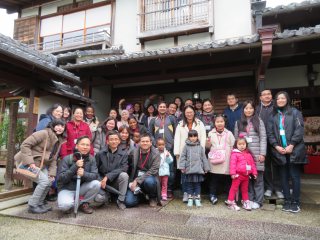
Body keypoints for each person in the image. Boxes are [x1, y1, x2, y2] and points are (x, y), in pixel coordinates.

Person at [14, 119, 66, 214]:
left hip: (40, 165)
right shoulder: (43, 133)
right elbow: (25, 145)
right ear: (53, 125)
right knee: (44, 181)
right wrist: (30, 162)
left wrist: (52, 173)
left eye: (62, 126)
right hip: (27, 163)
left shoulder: (58, 140)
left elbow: (53, 158)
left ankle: (40, 203)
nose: (60, 128)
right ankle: (33, 205)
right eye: (58, 125)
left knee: (49, 181)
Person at [267, 91, 307, 213]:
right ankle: (287, 201)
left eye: (282, 98)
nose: (280, 100)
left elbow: (299, 130)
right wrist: (276, 146)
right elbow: (270, 133)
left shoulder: (295, 113)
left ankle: (296, 201)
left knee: (294, 176)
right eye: (278, 98)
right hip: (280, 151)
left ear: (287, 99)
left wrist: (292, 145)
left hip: (294, 150)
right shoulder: (273, 115)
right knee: (283, 177)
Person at [234, 100, 267, 210]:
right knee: (246, 180)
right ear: (243, 110)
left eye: (251, 108)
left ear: (254, 109)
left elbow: (263, 138)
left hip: (257, 155)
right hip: (244, 157)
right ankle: (249, 199)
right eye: (246, 108)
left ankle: (258, 201)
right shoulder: (238, 123)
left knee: (258, 180)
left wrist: (263, 153)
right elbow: (236, 140)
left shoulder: (259, 121)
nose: (248, 110)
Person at [57, 136, 100, 214]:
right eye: (82, 144)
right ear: (76, 145)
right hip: (67, 188)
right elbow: (61, 178)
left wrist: (84, 174)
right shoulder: (67, 159)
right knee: (65, 206)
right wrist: (75, 167)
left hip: (81, 188)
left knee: (96, 184)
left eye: (87, 145)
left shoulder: (91, 159)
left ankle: (83, 203)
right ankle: (71, 203)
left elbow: (95, 175)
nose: (85, 147)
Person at [174, 105, 206, 202]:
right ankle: (185, 193)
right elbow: (177, 138)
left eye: (191, 112)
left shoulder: (200, 123)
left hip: (196, 153)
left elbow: (203, 138)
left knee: (195, 175)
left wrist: (202, 151)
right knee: (184, 174)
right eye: (187, 112)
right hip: (183, 153)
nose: (189, 114)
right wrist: (176, 152)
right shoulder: (180, 124)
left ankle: (195, 194)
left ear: (194, 112)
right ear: (184, 113)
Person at [256, 89, 283, 199]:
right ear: (260, 97)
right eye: (264, 94)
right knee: (265, 165)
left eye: (269, 94)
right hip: (262, 141)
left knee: (277, 164)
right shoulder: (257, 109)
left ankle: (278, 188)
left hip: (276, 141)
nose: (267, 96)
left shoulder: (277, 108)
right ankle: (268, 187)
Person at [95, 131, 129, 210]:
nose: (114, 141)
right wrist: (100, 180)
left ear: (119, 141)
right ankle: (108, 197)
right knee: (98, 198)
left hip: (116, 181)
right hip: (103, 183)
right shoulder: (100, 154)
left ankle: (120, 200)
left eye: (116, 139)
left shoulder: (124, 154)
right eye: (111, 139)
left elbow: (123, 168)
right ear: (107, 141)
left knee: (124, 175)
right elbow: (95, 170)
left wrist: (107, 176)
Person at [149, 101, 177, 198]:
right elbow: (150, 134)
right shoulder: (153, 120)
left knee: (171, 170)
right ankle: (159, 189)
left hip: (169, 148)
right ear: (158, 108)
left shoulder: (172, 118)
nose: (162, 108)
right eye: (160, 106)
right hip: (157, 149)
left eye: (164, 107)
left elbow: (176, 132)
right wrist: (154, 144)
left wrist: (172, 143)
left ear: (167, 108)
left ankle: (169, 189)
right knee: (158, 169)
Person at [125, 133, 161, 208]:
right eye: (143, 141)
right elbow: (128, 168)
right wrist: (130, 182)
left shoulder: (156, 154)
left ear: (151, 143)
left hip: (149, 177)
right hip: (135, 179)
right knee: (129, 202)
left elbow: (153, 171)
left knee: (150, 181)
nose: (145, 143)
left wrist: (137, 180)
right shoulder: (133, 152)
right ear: (139, 143)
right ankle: (141, 196)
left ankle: (152, 197)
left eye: (147, 141)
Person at [207, 114, 235, 205]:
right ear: (214, 123)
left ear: (224, 122)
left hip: (226, 160)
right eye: (217, 122)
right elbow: (207, 146)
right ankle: (212, 195)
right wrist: (207, 142)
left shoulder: (229, 133)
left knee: (227, 179)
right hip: (214, 160)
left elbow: (233, 145)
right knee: (214, 178)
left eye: (221, 122)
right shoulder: (211, 133)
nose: (219, 124)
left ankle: (229, 196)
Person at [178, 130, 210, 207]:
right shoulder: (186, 147)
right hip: (189, 170)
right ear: (188, 137)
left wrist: (206, 168)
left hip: (198, 170)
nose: (193, 138)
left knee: (197, 185)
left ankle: (197, 199)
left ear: (197, 137)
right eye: (191, 136)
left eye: (194, 136)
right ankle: (190, 199)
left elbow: (204, 158)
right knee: (189, 185)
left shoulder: (200, 147)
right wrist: (182, 167)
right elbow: (183, 157)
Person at [226, 137, 257, 211]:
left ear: (246, 144)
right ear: (236, 145)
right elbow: (232, 164)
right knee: (234, 188)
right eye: (239, 144)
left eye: (243, 144)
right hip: (237, 175)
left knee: (245, 189)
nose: (242, 146)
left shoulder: (248, 154)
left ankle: (245, 201)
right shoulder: (235, 154)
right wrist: (233, 173)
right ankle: (230, 202)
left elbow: (252, 164)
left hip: (246, 176)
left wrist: (254, 173)